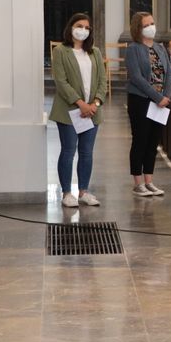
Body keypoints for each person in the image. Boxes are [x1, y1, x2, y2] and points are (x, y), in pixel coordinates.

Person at [49, 13, 107, 207]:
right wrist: (81, 103)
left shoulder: (95, 52)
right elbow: (61, 81)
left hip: (92, 111)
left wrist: (95, 103)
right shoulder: (60, 51)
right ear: (71, 27)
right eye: (79, 26)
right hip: (69, 111)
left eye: (87, 27)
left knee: (87, 152)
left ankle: (84, 191)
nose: (83, 30)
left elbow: (102, 81)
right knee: (68, 150)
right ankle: (66, 192)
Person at [125, 11, 171, 197]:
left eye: (152, 23)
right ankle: (138, 183)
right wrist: (156, 96)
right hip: (141, 100)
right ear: (138, 28)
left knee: (153, 142)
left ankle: (149, 181)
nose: (151, 27)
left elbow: (168, 74)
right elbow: (136, 77)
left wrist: (166, 96)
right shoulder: (133, 49)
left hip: (161, 102)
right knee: (140, 140)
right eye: (146, 25)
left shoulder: (161, 48)